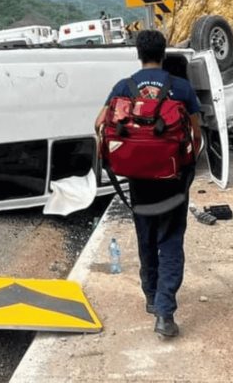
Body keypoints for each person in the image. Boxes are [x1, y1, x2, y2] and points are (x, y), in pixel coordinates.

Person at [94, 29, 202, 338]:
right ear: (164, 53)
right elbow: (195, 134)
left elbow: (99, 124)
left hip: (138, 179)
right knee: (170, 241)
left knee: (146, 237)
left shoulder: (123, 86)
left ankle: (151, 297)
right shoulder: (180, 87)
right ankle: (165, 314)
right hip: (173, 179)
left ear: (138, 54)